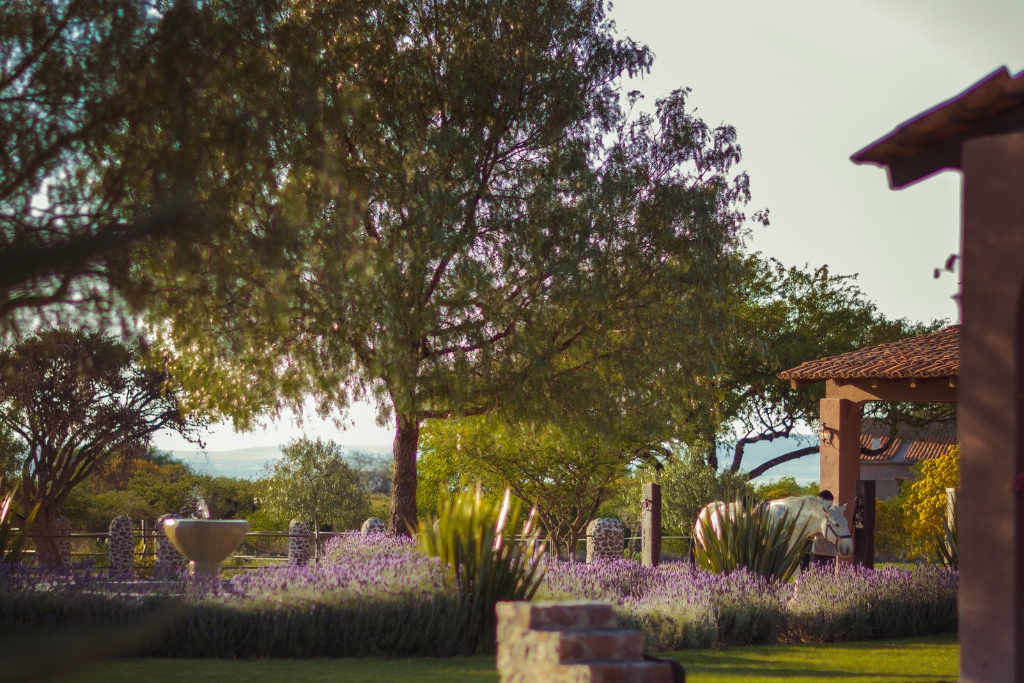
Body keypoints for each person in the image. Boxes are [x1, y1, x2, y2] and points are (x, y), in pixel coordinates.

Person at [810, 490, 838, 567]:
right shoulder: (816, 515)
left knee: (828, 577)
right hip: (816, 551)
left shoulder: (835, 516)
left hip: (829, 553)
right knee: (812, 576)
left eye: (820, 502)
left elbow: (832, 533)